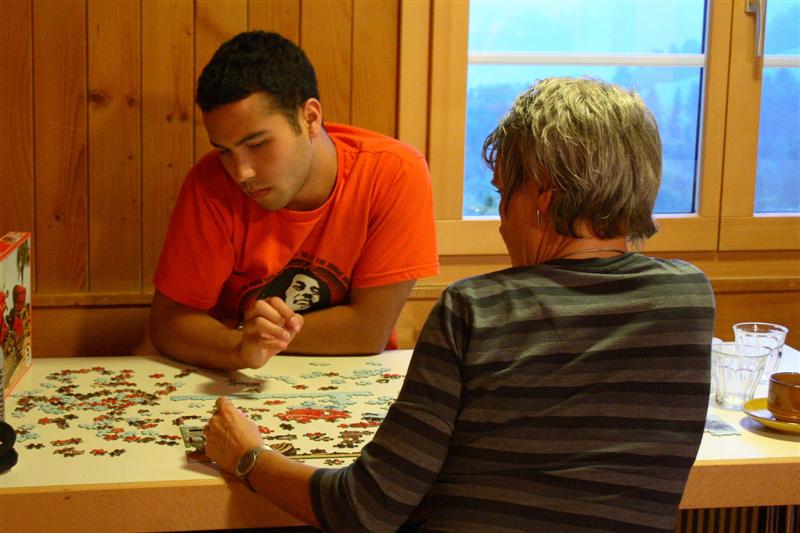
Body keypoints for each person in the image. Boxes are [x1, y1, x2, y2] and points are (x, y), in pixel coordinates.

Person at [204, 77, 715, 532]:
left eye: (503, 195)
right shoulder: (690, 299)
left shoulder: (476, 310)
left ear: (542, 200)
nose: (500, 222)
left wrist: (247, 455)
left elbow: (366, 508)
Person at [147, 31, 439, 370]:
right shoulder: (209, 183)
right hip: (233, 375)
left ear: (310, 118)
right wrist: (239, 346)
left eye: (258, 144)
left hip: (352, 373)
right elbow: (168, 322)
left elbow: (368, 331)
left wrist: (249, 337)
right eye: (225, 151)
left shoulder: (394, 172)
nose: (241, 172)